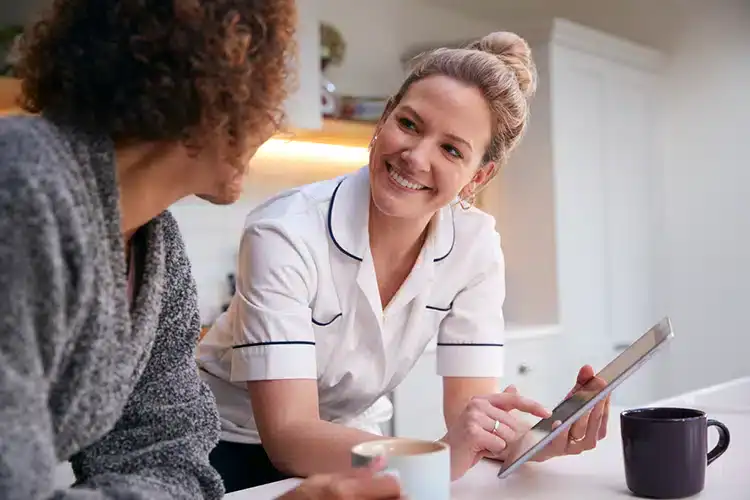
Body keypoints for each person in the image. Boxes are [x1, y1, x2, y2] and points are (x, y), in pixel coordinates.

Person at [0, 1, 400, 499]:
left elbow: (175, 459)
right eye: (266, 93)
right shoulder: (19, 187)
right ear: (212, 90)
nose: (271, 123)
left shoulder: (157, 249)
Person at [197, 30, 611, 493]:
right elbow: (289, 437)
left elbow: (469, 418)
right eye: (410, 124)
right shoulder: (285, 231)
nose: (415, 157)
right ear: (385, 119)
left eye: (451, 149)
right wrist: (437, 456)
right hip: (225, 447)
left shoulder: (475, 245)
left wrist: (540, 440)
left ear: (480, 175)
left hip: (358, 443)